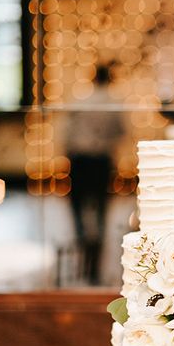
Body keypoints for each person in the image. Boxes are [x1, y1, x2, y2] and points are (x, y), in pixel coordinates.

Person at [66, 65, 124, 283]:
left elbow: (69, 133)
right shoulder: (114, 103)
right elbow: (121, 132)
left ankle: (82, 239)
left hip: (81, 159)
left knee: (78, 204)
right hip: (101, 159)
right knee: (100, 205)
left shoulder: (80, 101)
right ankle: (97, 241)